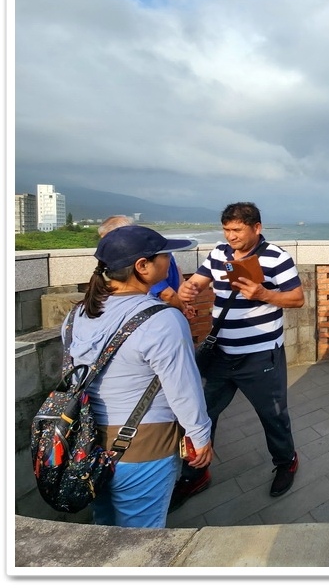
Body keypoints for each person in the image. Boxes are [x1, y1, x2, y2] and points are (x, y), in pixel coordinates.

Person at [65, 225, 212, 527]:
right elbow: (183, 388)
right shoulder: (162, 319)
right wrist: (199, 436)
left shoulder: (78, 314)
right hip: (143, 446)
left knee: (104, 527)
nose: (169, 260)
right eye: (164, 255)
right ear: (142, 266)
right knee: (139, 540)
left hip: (87, 442)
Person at [170, 202, 305, 507]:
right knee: (203, 414)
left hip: (260, 356)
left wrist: (264, 295)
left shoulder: (276, 258)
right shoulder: (219, 253)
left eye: (237, 230)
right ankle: (196, 474)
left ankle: (286, 462)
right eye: (227, 229)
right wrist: (187, 290)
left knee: (273, 416)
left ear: (257, 228)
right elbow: (198, 282)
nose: (230, 236)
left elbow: (297, 298)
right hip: (221, 353)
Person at [99, 215, 196, 320]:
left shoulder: (151, 259)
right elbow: (177, 274)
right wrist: (182, 307)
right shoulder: (159, 253)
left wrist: (182, 308)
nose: (107, 247)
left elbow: (167, 293)